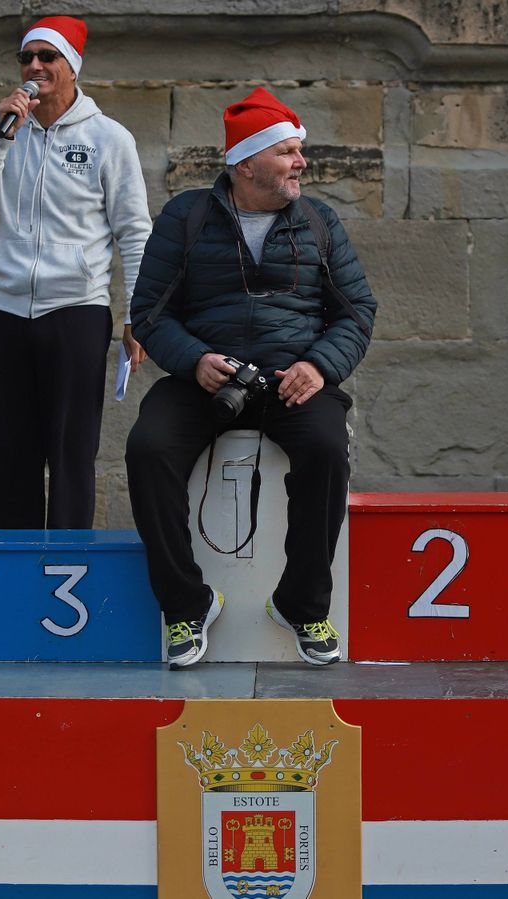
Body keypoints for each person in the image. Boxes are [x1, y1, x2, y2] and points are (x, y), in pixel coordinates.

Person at [126, 87, 378, 669]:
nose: (301, 162)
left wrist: (318, 366)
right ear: (245, 164)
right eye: (287, 151)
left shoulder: (320, 221)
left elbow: (357, 311)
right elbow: (150, 313)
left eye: (298, 150)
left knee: (324, 449)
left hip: (295, 379)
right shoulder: (185, 217)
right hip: (205, 380)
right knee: (148, 447)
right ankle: (186, 605)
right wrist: (193, 360)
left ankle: (302, 603)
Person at [0, 15, 151, 530]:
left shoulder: (110, 139)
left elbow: (134, 231)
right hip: (5, 309)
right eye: (26, 57)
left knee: (70, 452)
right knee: (9, 448)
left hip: (77, 310)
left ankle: (66, 574)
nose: (35, 66)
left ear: (72, 67)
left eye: (48, 56)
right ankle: (19, 584)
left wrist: (137, 314)